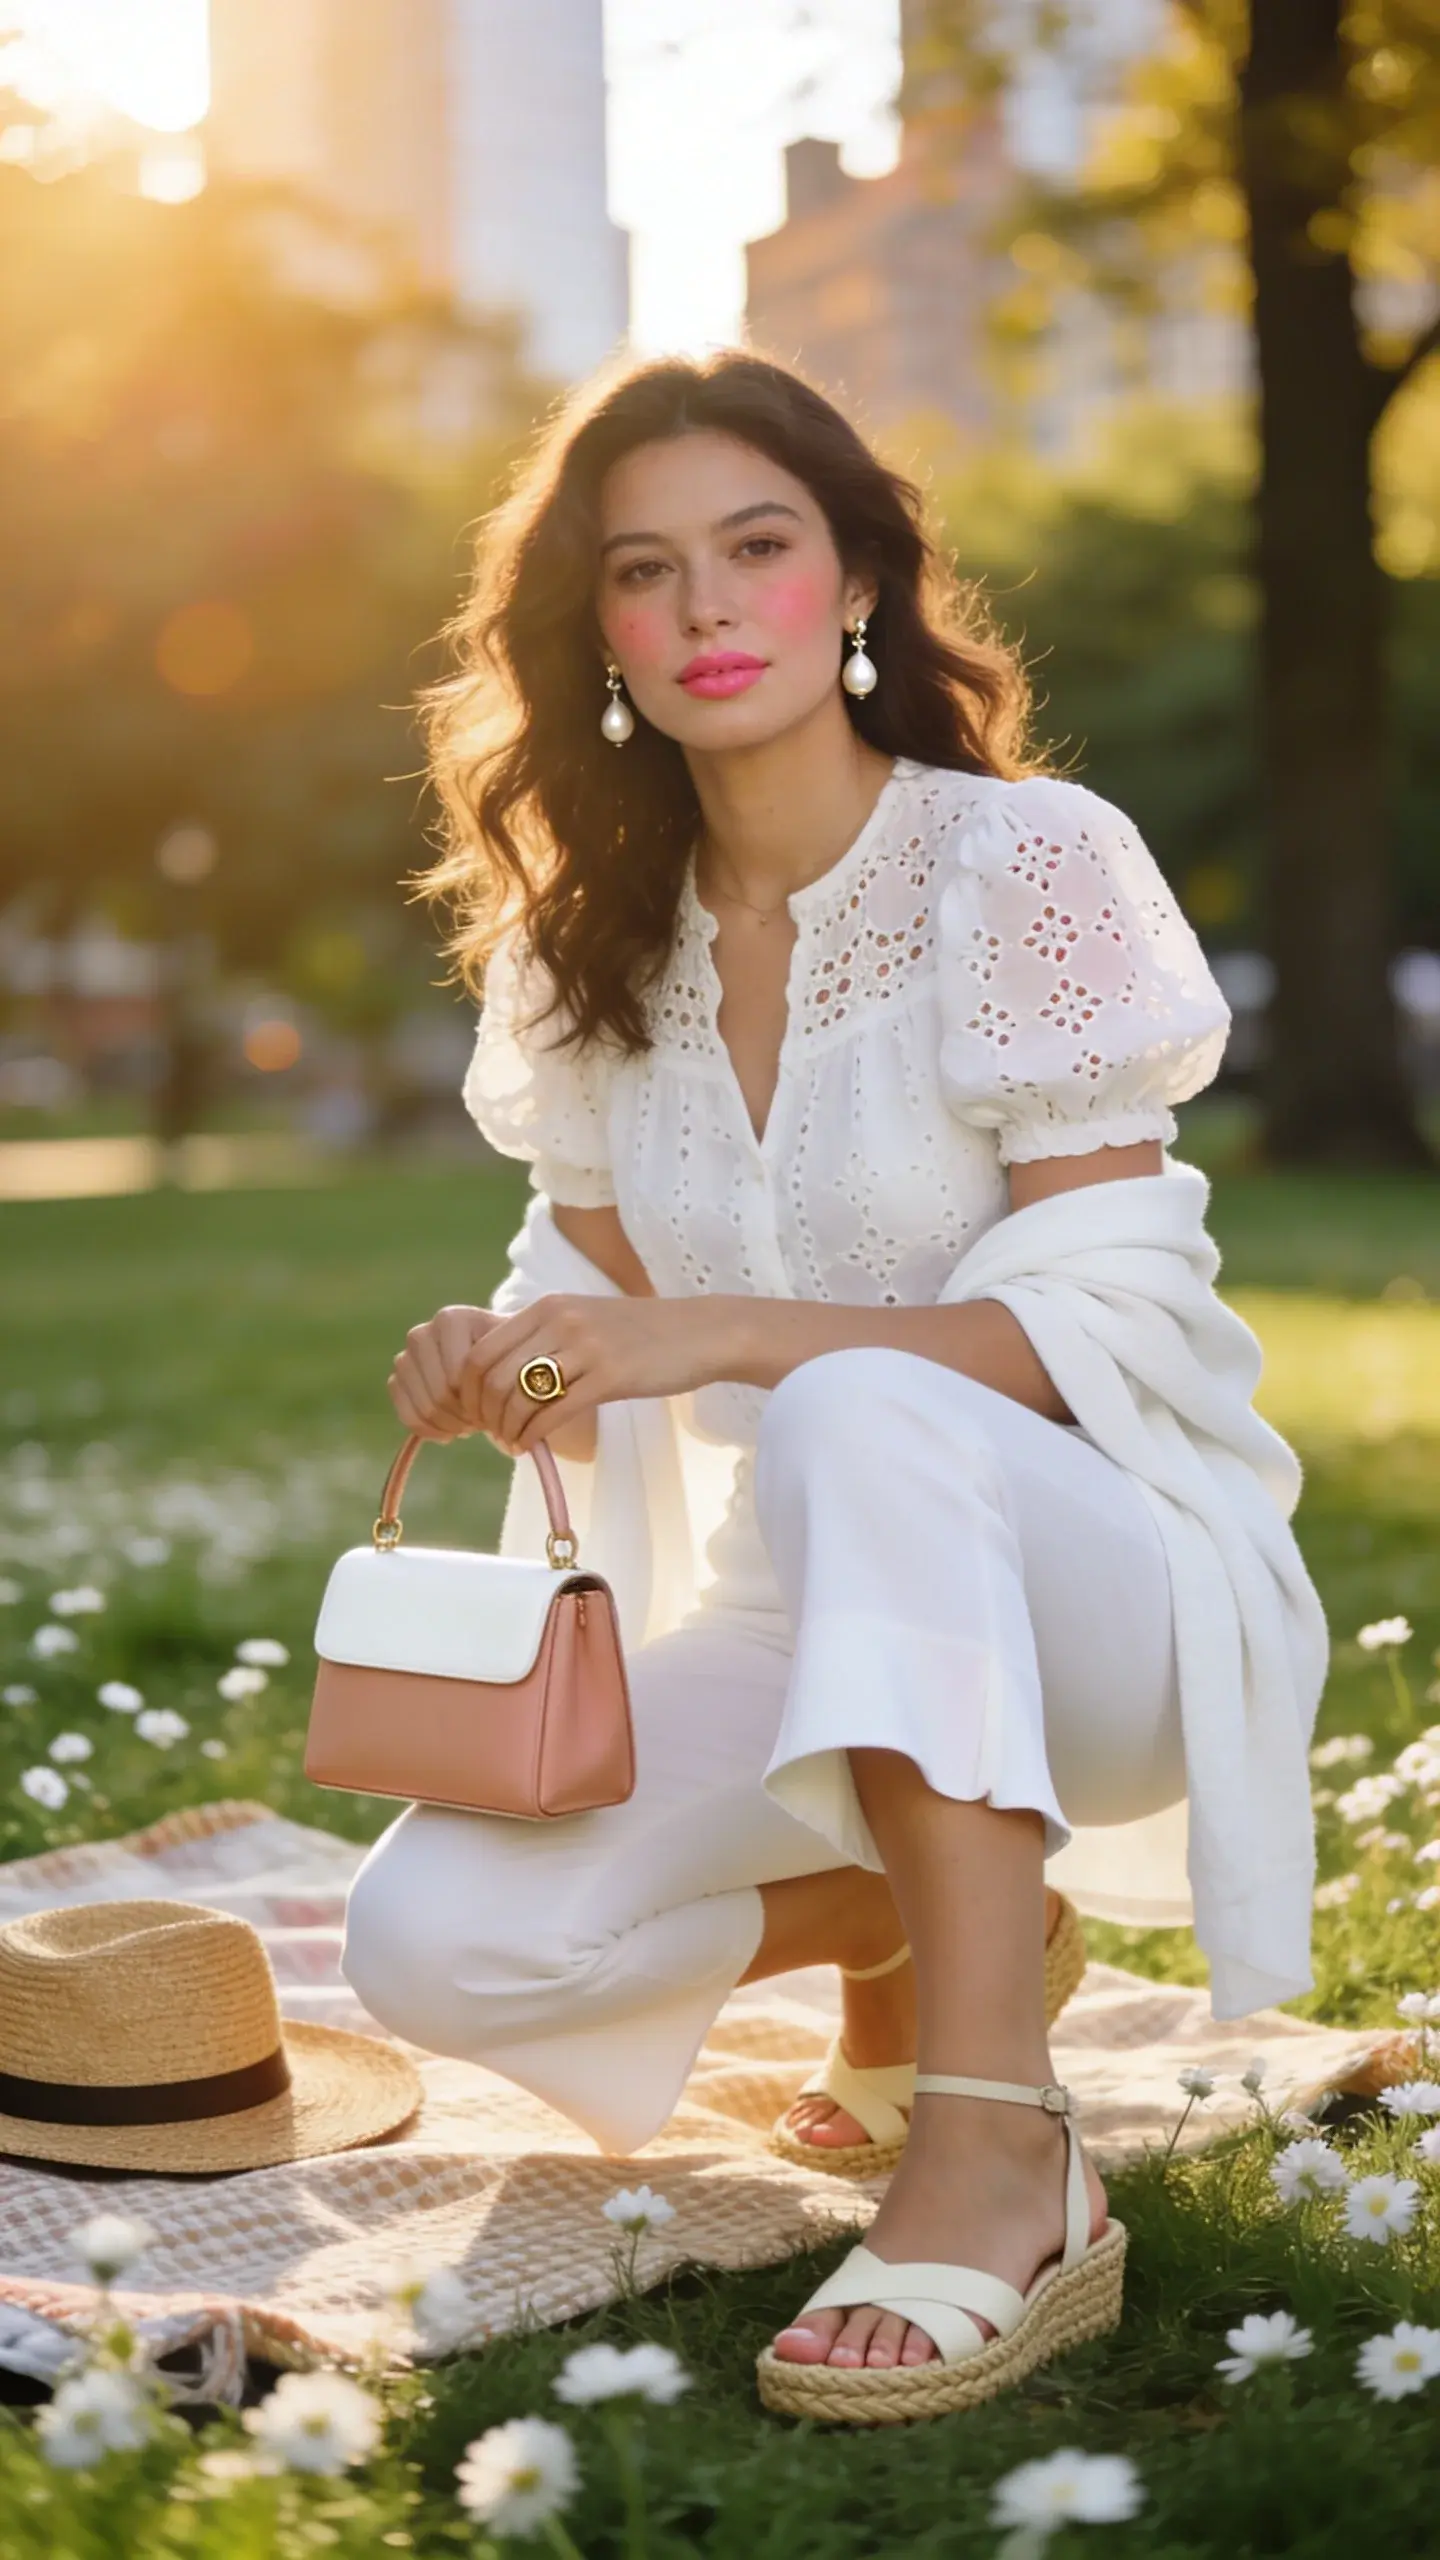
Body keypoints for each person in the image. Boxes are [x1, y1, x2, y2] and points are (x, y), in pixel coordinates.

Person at [341, 351, 1329, 2422]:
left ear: (857, 578)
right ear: (597, 631)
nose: (706, 607)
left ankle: (996, 2139)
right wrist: (501, 1358)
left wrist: (722, 1336)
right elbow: (581, 1290)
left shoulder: (1023, 863)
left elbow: (1095, 1339)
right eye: (644, 569)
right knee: (434, 1942)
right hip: (810, 1616)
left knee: (865, 1410)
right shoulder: (586, 946)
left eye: (756, 548)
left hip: (1103, 1587)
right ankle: (937, 1910)